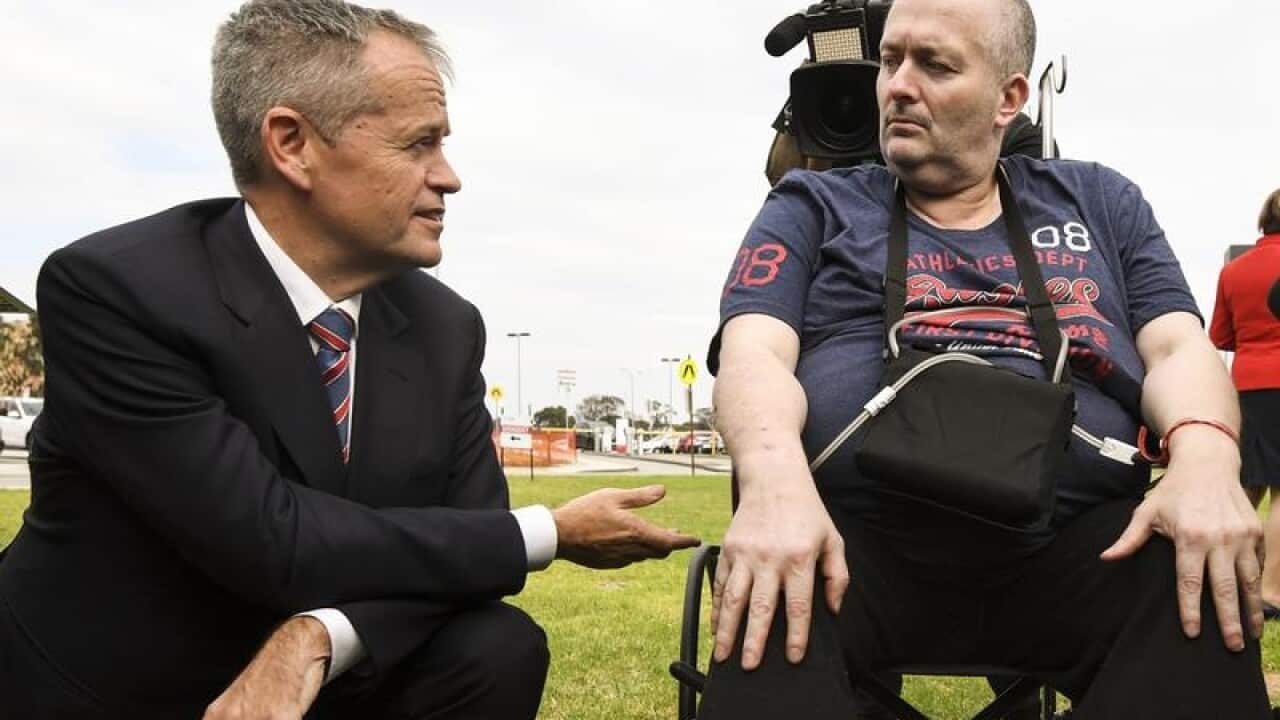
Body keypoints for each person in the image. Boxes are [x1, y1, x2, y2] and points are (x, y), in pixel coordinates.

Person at [0, 2, 699, 719]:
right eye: (418, 144)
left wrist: (321, 636)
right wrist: (551, 529)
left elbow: (469, 539)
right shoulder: (121, 291)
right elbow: (268, 537)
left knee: (495, 644)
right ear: (292, 143)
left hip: (320, 683)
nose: (449, 177)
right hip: (117, 687)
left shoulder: (445, 325)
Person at [705, 0, 1270, 717]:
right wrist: (772, 480)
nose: (898, 86)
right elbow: (755, 350)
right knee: (775, 587)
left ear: (1010, 97)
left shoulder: (1102, 201)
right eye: (891, 60)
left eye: (934, 65)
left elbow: (1177, 345)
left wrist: (1206, 462)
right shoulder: (812, 203)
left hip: (1076, 545)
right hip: (858, 546)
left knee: (1190, 574)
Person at [1210, 188, 1280, 618]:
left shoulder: (1235, 270)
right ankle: (1272, 590)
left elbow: (1220, 337)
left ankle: (1226, 576)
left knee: (1246, 488)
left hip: (1249, 386)